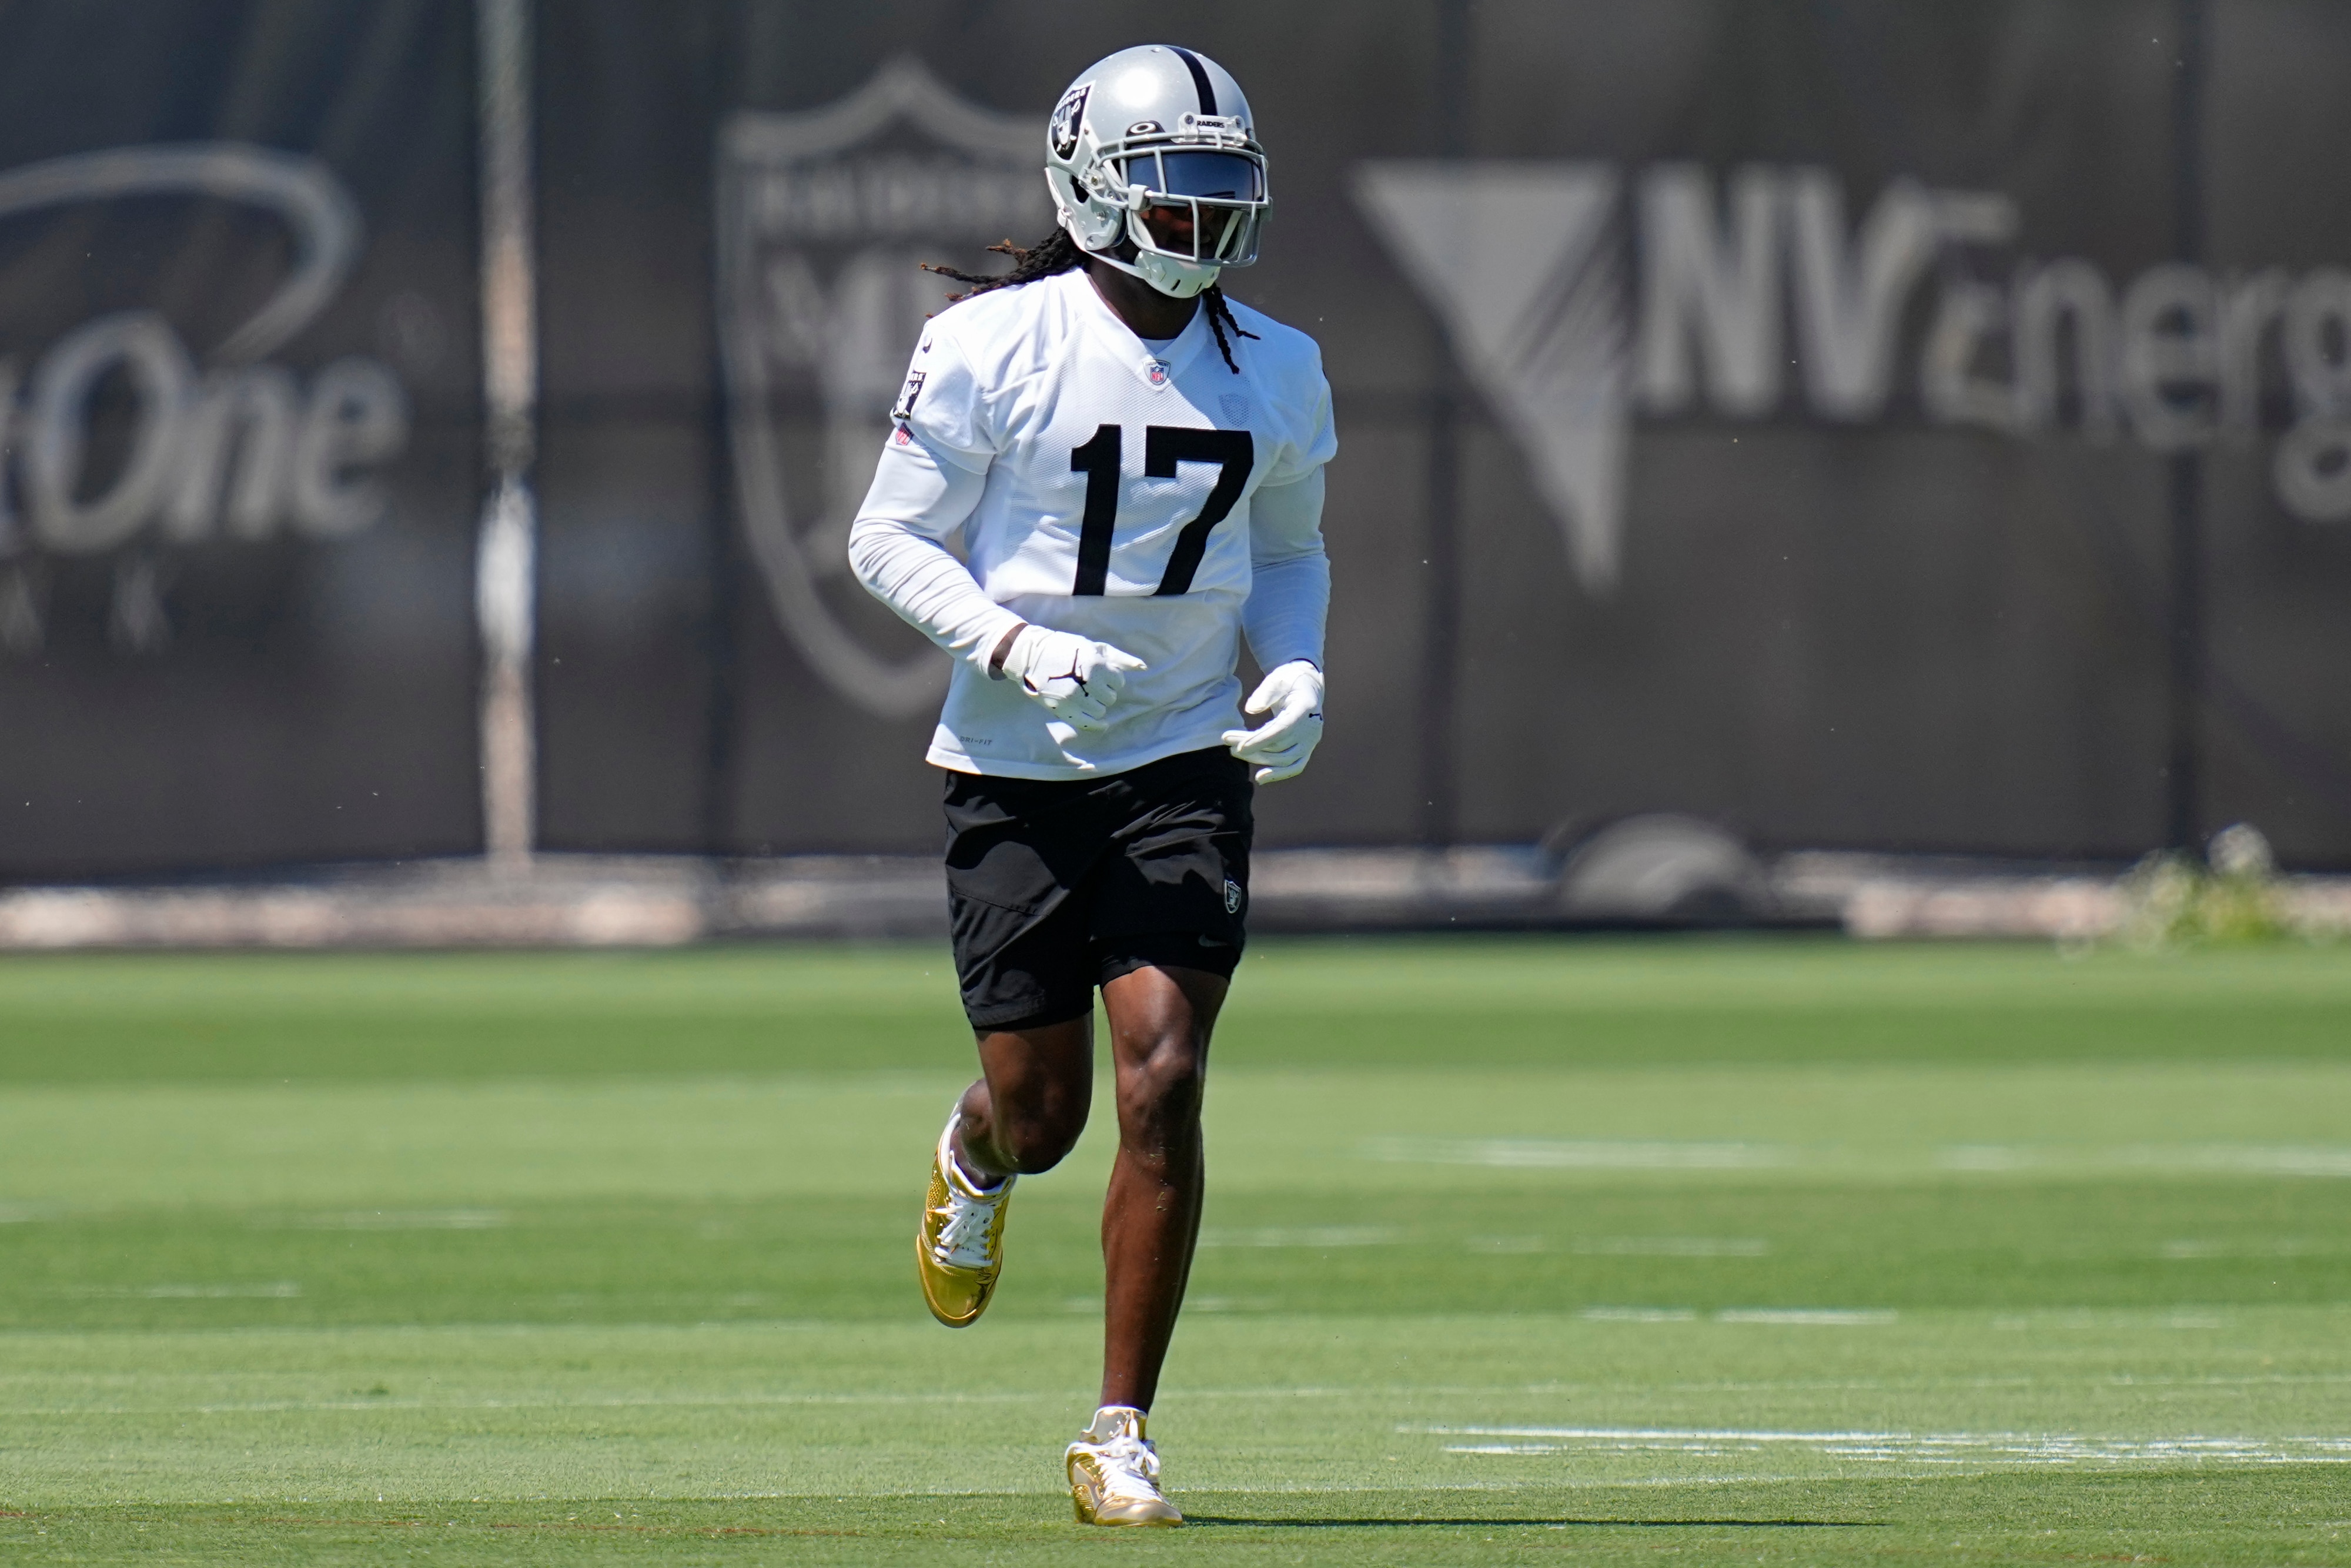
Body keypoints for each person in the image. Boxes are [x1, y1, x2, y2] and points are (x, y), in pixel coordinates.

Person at [845, 44, 1334, 1529]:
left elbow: (1295, 548)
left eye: (1218, 187)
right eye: (1170, 187)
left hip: (1182, 754)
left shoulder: (1282, 364)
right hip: (1013, 763)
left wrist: (1298, 669)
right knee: (1043, 1111)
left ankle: (1119, 1427)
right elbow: (885, 539)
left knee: (1165, 1073)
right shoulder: (997, 344)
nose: (1199, 220)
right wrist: (1009, 641)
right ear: (1091, 187)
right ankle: (974, 1151)